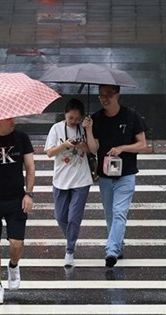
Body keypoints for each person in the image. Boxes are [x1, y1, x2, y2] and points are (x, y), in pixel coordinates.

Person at [83, 84, 147, 268]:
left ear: (117, 95)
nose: (104, 98)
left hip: (126, 174)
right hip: (105, 176)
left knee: (119, 213)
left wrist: (122, 148)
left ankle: (111, 250)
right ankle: (118, 246)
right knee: (110, 215)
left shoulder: (131, 116)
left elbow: (142, 145)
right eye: (101, 95)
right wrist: (88, 129)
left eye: (108, 95)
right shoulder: (96, 119)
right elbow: (94, 148)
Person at [44, 99, 92, 267]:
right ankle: (72, 237)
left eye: (77, 118)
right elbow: (49, 153)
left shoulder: (84, 128)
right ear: (65, 114)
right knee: (60, 217)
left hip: (81, 179)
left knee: (73, 218)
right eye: (71, 118)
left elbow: (92, 150)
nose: (73, 121)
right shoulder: (56, 129)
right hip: (61, 179)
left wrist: (83, 139)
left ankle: (70, 250)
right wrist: (64, 145)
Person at [0, 117, 35, 304]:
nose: (13, 121)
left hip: (15, 199)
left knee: (16, 243)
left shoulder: (22, 137)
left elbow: (30, 167)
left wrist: (28, 194)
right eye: (8, 119)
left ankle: (13, 266)